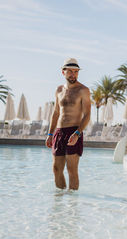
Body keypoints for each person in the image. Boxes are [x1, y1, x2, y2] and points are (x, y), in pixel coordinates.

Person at [45, 58, 91, 190]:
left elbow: (87, 115)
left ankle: (72, 204)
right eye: (70, 71)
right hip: (59, 132)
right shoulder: (59, 90)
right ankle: (59, 201)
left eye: (76, 72)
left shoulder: (83, 90)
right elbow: (55, 113)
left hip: (74, 132)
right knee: (56, 169)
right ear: (63, 72)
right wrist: (50, 133)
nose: (73, 74)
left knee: (72, 170)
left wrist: (77, 133)